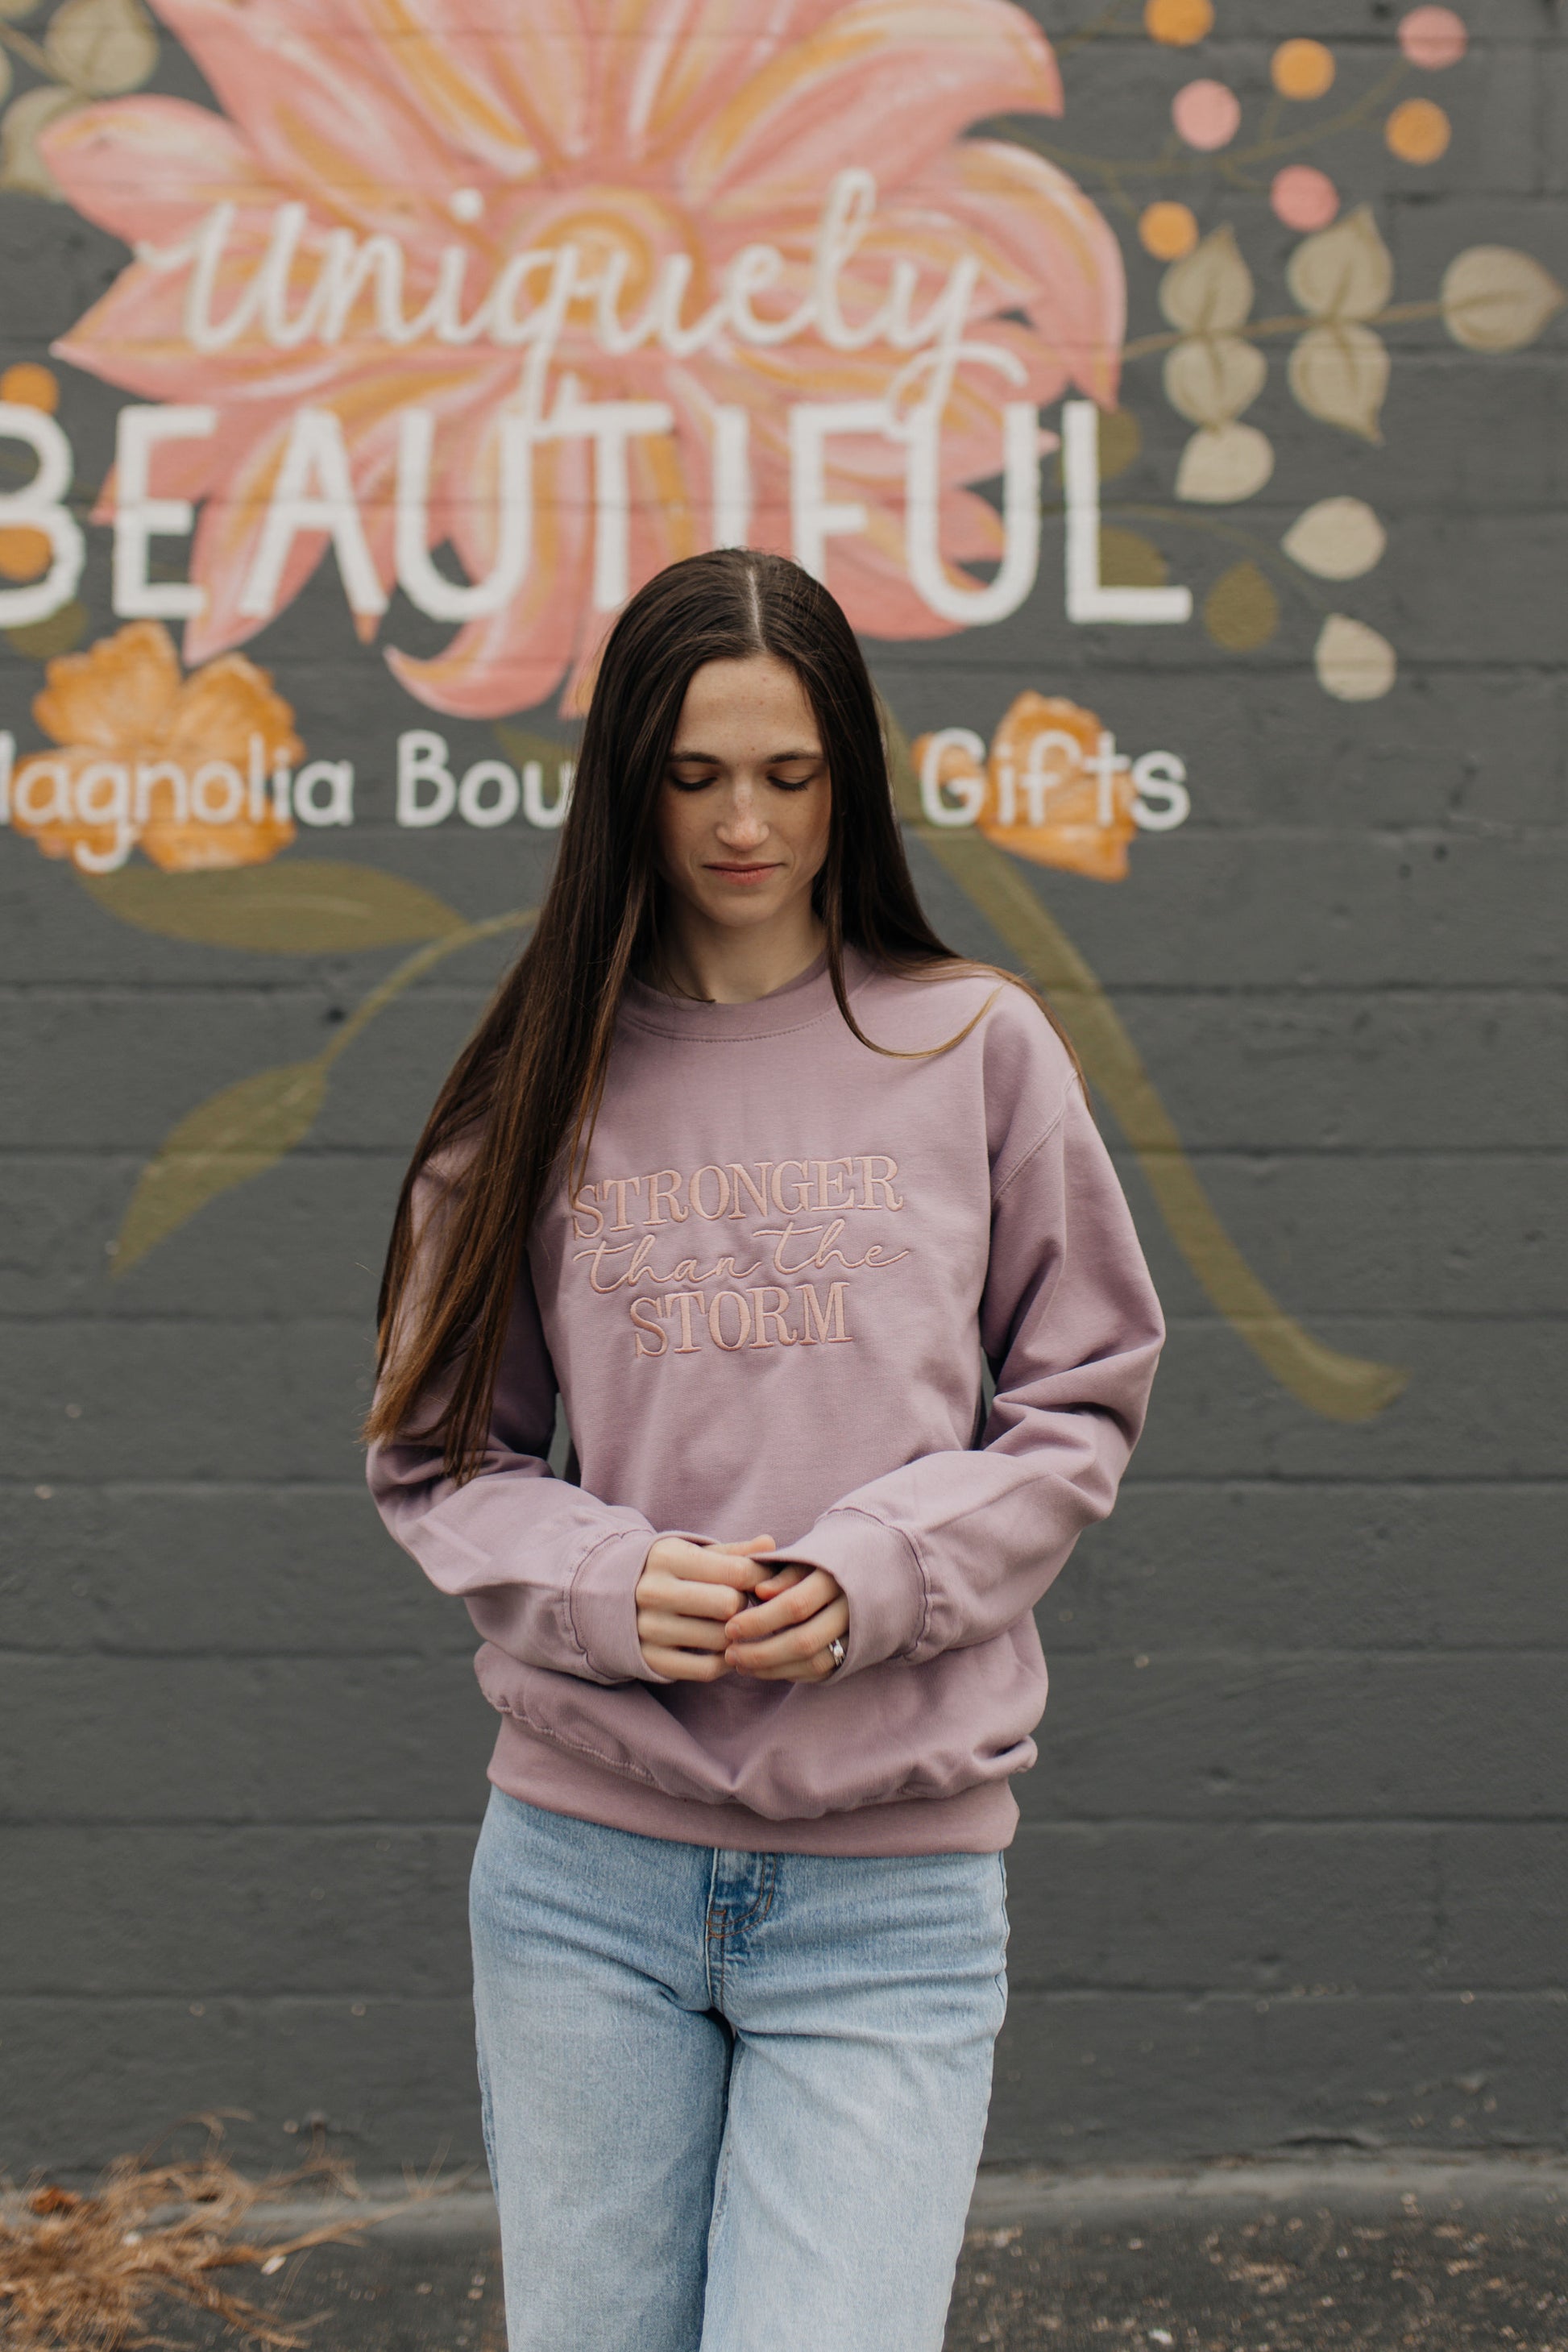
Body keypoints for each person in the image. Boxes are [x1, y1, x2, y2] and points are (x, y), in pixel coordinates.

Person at [363, 548, 1164, 2352]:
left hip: (893, 1888)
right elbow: (439, 1456)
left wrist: (881, 1573)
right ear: (626, 786)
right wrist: (607, 1584)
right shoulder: (533, 1086)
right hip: (583, 1886)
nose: (744, 823)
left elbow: (1082, 1395)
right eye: (695, 774)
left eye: (789, 774)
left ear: (846, 778)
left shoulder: (976, 1045)